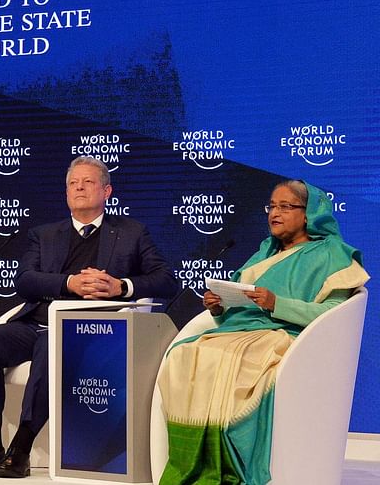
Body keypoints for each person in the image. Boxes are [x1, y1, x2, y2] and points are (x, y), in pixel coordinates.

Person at [0, 156, 177, 478]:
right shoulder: (44, 234)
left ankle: (21, 446)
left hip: (89, 331)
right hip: (35, 324)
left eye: (88, 182)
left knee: (52, 345)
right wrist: (68, 282)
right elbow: (25, 281)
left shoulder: (131, 233)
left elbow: (167, 281)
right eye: (73, 183)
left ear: (107, 191)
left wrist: (121, 286)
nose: (79, 188)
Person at [158, 180, 369, 485]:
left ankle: (231, 464)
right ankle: (192, 461)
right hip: (240, 332)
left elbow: (331, 315)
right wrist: (219, 307)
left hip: (290, 337)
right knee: (185, 354)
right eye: (272, 206)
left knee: (238, 359)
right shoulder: (263, 254)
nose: (275, 213)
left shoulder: (333, 254)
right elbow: (240, 309)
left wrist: (276, 303)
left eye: (286, 206)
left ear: (308, 213)